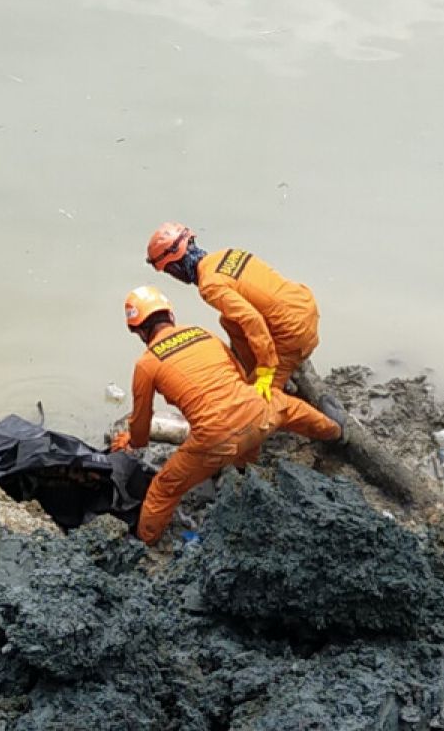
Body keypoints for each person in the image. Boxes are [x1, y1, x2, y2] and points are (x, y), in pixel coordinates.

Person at [111, 285, 346, 545]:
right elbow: (240, 377)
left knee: (163, 489)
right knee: (289, 408)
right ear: (171, 316)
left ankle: (145, 544)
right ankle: (335, 432)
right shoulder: (203, 333)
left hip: (215, 440)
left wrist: (130, 443)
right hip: (258, 414)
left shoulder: (147, 363)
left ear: (138, 330)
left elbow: (142, 427)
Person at [145, 222, 320, 400]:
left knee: (256, 404)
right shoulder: (228, 254)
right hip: (304, 305)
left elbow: (252, 320)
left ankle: (331, 419)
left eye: (169, 272)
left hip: (293, 332)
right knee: (228, 320)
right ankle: (267, 371)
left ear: (175, 267)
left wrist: (266, 371)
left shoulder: (209, 285)